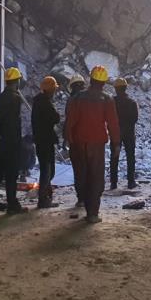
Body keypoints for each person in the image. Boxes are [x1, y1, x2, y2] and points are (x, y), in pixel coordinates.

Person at [65, 66, 120, 223]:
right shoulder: (107, 99)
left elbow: (70, 121)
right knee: (96, 177)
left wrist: (70, 140)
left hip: (79, 143)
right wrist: (116, 144)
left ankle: (82, 200)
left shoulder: (78, 98)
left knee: (82, 174)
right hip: (96, 145)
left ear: (91, 79)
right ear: (103, 82)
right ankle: (92, 213)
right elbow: (113, 124)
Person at [0, 67, 28, 214]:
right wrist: (17, 142)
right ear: (17, 81)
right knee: (12, 173)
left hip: (0, 142)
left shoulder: (0, 98)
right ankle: (12, 204)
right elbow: (14, 123)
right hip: (11, 141)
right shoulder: (15, 98)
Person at [32, 76, 61, 209]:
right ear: (50, 89)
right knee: (47, 170)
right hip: (45, 140)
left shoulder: (38, 101)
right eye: (54, 89)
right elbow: (55, 118)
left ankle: (46, 197)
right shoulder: (45, 103)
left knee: (47, 169)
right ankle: (43, 199)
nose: (54, 91)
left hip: (40, 140)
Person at [110, 78, 138, 190]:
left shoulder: (112, 102)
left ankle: (113, 183)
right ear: (126, 88)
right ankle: (131, 182)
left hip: (116, 132)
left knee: (114, 157)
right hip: (129, 133)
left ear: (115, 89)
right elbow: (135, 119)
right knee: (130, 157)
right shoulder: (131, 102)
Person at [64, 73, 87, 208]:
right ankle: (90, 197)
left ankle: (81, 198)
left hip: (75, 140)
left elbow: (68, 121)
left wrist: (67, 138)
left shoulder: (70, 101)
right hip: (89, 140)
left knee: (78, 169)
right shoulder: (90, 98)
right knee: (89, 168)